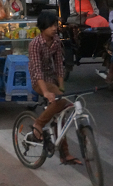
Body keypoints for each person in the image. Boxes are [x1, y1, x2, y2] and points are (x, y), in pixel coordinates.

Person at [29, 10, 82, 166]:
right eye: (51, 26)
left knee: (61, 114)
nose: (54, 28)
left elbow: (59, 64)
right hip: (38, 81)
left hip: (51, 79)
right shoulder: (35, 44)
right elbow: (37, 70)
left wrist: (61, 86)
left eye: (55, 25)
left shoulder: (56, 41)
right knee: (61, 101)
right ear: (42, 27)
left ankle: (64, 154)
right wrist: (46, 92)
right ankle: (38, 124)